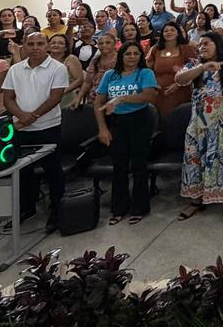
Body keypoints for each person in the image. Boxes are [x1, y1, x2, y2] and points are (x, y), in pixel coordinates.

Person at [175, 32, 223, 224]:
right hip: (199, 125)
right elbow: (180, 79)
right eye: (200, 44)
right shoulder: (195, 64)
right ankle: (197, 200)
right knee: (195, 161)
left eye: (206, 43)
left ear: (217, 44)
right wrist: (203, 67)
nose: (202, 47)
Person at [0, 33, 68, 231]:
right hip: (21, 128)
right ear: (24, 46)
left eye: (40, 43)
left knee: (53, 171)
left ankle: (56, 210)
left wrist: (33, 116)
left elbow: (55, 98)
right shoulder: (15, 69)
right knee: (22, 171)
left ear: (47, 45)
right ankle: (26, 208)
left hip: (48, 127)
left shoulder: (58, 68)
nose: (35, 47)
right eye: (31, 44)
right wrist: (22, 116)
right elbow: (8, 99)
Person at [95, 40, 158, 224]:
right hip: (117, 124)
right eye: (128, 53)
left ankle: (139, 208)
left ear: (140, 56)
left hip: (140, 121)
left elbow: (148, 96)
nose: (132, 57)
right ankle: (119, 208)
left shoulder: (145, 73)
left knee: (139, 165)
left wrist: (121, 98)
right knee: (119, 166)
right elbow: (98, 103)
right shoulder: (110, 75)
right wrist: (102, 128)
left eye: (136, 54)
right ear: (121, 55)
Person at [148, 22, 197, 116]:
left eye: (172, 30)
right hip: (159, 92)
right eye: (166, 31)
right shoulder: (155, 49)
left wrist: (178, 85)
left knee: (179, 120)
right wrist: (153, 84)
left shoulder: (186, 49)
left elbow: (193, 69)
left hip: (180, 91)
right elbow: (149, 69)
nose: (169, 32)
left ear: (178, 33)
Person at [78, 32, 120, 106]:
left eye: (108, 42)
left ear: (114, 44)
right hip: (94, 98)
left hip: (114, 99)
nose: (104, 45)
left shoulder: (120, 59)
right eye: (101, 43)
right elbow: (87, 82)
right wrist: (79, 97)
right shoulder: (95, 60)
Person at [47, 33, 84, 108]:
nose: (56, 45)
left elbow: (79, 80)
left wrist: (61, 92)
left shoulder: (71, 59)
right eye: (53, 43)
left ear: (66, 48)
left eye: (60, 43)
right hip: (47, 99)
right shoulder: (45, 59)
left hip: (66, 98)